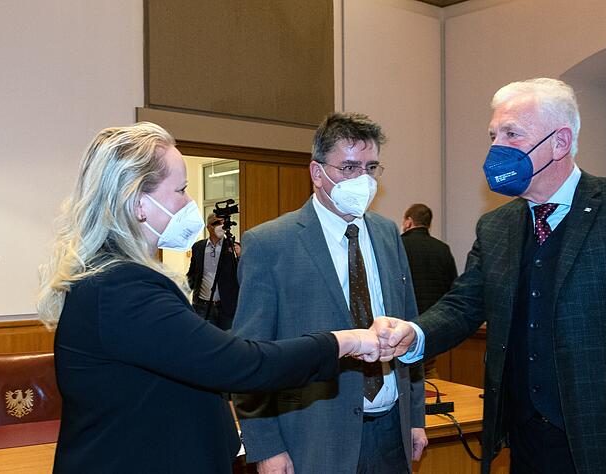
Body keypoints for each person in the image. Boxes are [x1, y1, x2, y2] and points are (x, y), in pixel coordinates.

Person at [375, 78, 606, 474]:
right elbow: (464, 304)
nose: (497, 148)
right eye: (493, 135)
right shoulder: (496, 226)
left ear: (560, 142)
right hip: (526, 440)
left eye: (512, 134)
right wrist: (415, 334)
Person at [37, 122, 389, 473]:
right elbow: (241, 364)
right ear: (139, 202)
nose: (189, 202)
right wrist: (345, 341)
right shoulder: (121, 288)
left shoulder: (116, 278)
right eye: (181, 190)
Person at [232, 112, 427, 474]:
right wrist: (267, 446)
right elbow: (251, 358)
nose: (363, 180)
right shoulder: (269, 244)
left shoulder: (387, 233)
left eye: (371, 168)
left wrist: (415, 416)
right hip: (314, 438)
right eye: (349, 168)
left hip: (390, 431)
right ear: (317, 172)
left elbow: (408, 325)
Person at [400, 203, 457, 379]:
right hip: (434, 323)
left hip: (404, 322)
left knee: (404, 374)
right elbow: (453, 287)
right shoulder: (442, 248)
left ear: (408, 221)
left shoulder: (399, 245)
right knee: (430, 371)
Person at [187, 213, 240, 330]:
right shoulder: (198, 247)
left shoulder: (233, 247)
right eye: (217, 223)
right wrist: (183, 293)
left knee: (227, 337)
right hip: (203, 306)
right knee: (204, 338)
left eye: (223, 223)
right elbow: (192, 274)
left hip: (226, 307)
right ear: (209, 227)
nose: (221, 226)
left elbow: (242, 273)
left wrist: (239, 256)